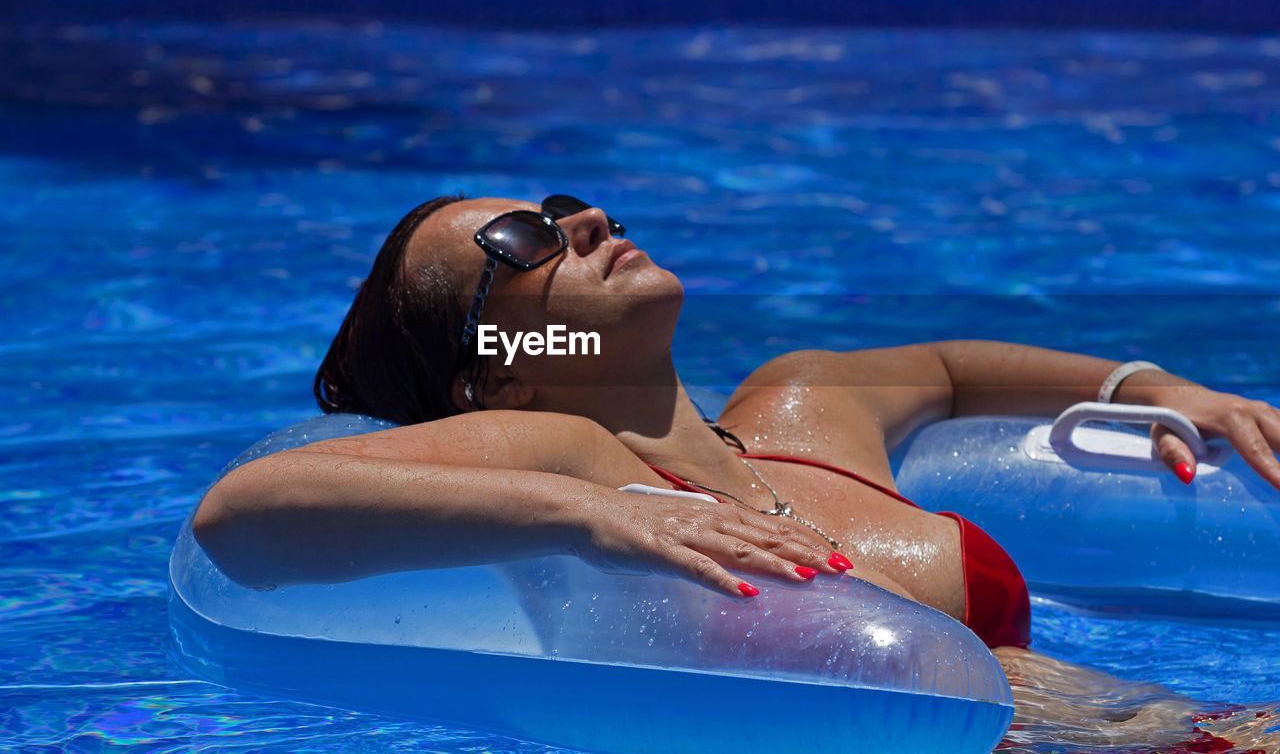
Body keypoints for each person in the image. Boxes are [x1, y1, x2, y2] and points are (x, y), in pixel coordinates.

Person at [193, 193, 1280, 749]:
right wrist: (591, 517)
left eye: (567, 204)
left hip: (1167, 730)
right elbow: (244, 513)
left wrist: (1146, 384)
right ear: (500, 365)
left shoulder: (802, 414)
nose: (583, 221)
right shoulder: (554, 450)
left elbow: (948, 373)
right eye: (520, 244)